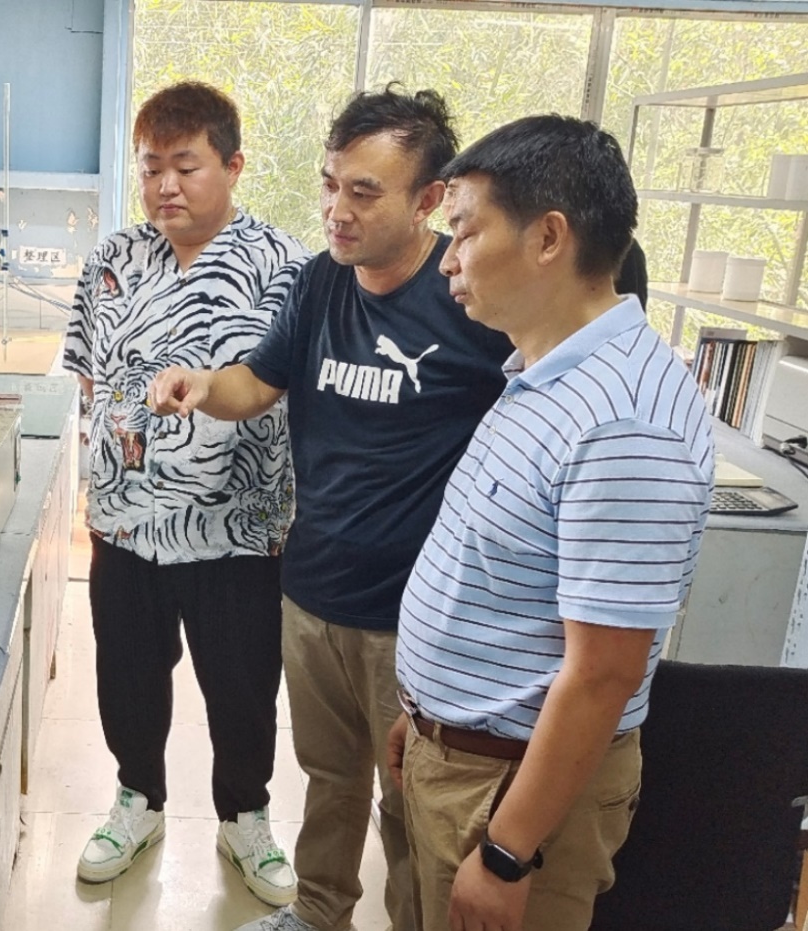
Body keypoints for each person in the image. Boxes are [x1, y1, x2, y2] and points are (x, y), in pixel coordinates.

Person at [149, 86, 513, 931]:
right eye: (329, 184)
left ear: (428, 200)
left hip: (417, 616)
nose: (335, 210)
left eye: (363, 192)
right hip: (313, 590)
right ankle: (317, 913)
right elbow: (258, 380)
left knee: (412, 803)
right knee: (328, 778)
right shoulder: (320, 281)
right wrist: (203, 385)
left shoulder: (468, 299)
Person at [388, 114, 714, 931]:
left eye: (465, 230)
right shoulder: (546, 372)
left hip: (511, 796)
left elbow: (602, 673)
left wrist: (506, 851)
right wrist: (424, 710)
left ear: (547, 237)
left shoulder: (623, 422)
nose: (447, 258)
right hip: (463, 755)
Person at [63, 80, 310, 907]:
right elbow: (89, 381)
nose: (165, 184)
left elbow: (291, 392)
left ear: (232, 166)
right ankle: (137, 799)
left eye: (185, 165)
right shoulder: (111, 259)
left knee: (242, 685)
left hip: (240, 527)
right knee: (128, 675)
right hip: (125, 522)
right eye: (150, 167)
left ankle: (244, 815)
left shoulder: (287, 268)